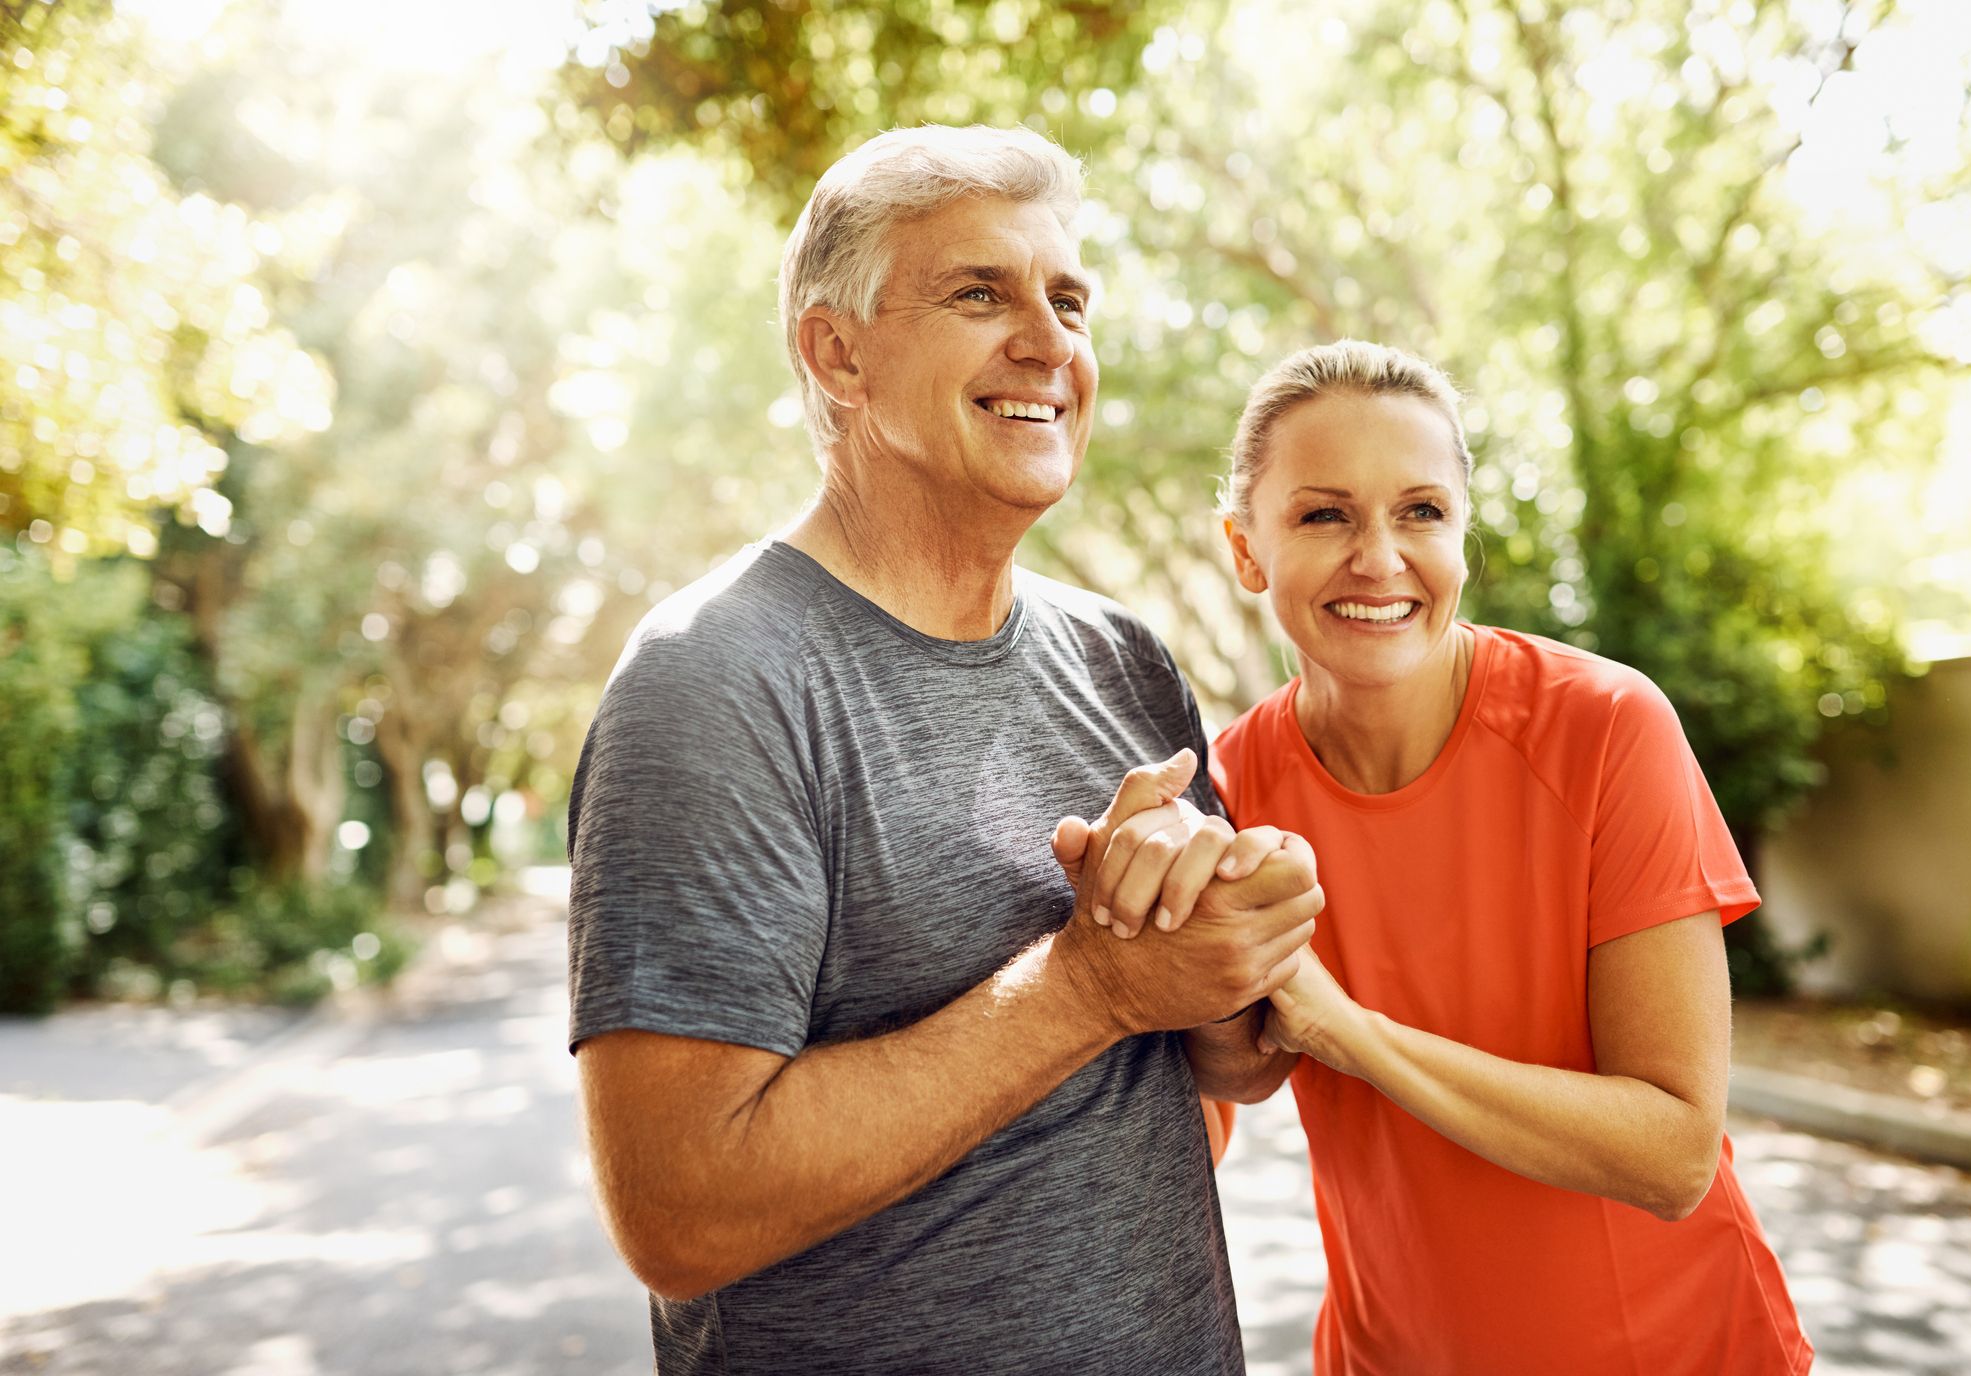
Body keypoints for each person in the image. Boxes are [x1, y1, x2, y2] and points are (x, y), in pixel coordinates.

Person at [563, 125, 1323, 1374]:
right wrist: (1091, 985)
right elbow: (680, 1207)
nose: (1049, 341)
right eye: (980, 292)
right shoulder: (715, 681)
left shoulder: (1120, 658)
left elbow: (1212, 1079)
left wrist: (1236, 960)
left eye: (1069, 299)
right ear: (837, 351)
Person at [1195, 340, 1814, 1374]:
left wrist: (1352, 1032)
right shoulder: (1231, 781)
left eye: (1421, 510)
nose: (1379, 557)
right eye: (1323, 513)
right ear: (1246, 547)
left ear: (1462, 533)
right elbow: (1236, 1073)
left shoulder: (1607, 727)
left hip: (1675, 1349)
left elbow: (1672, 1152)